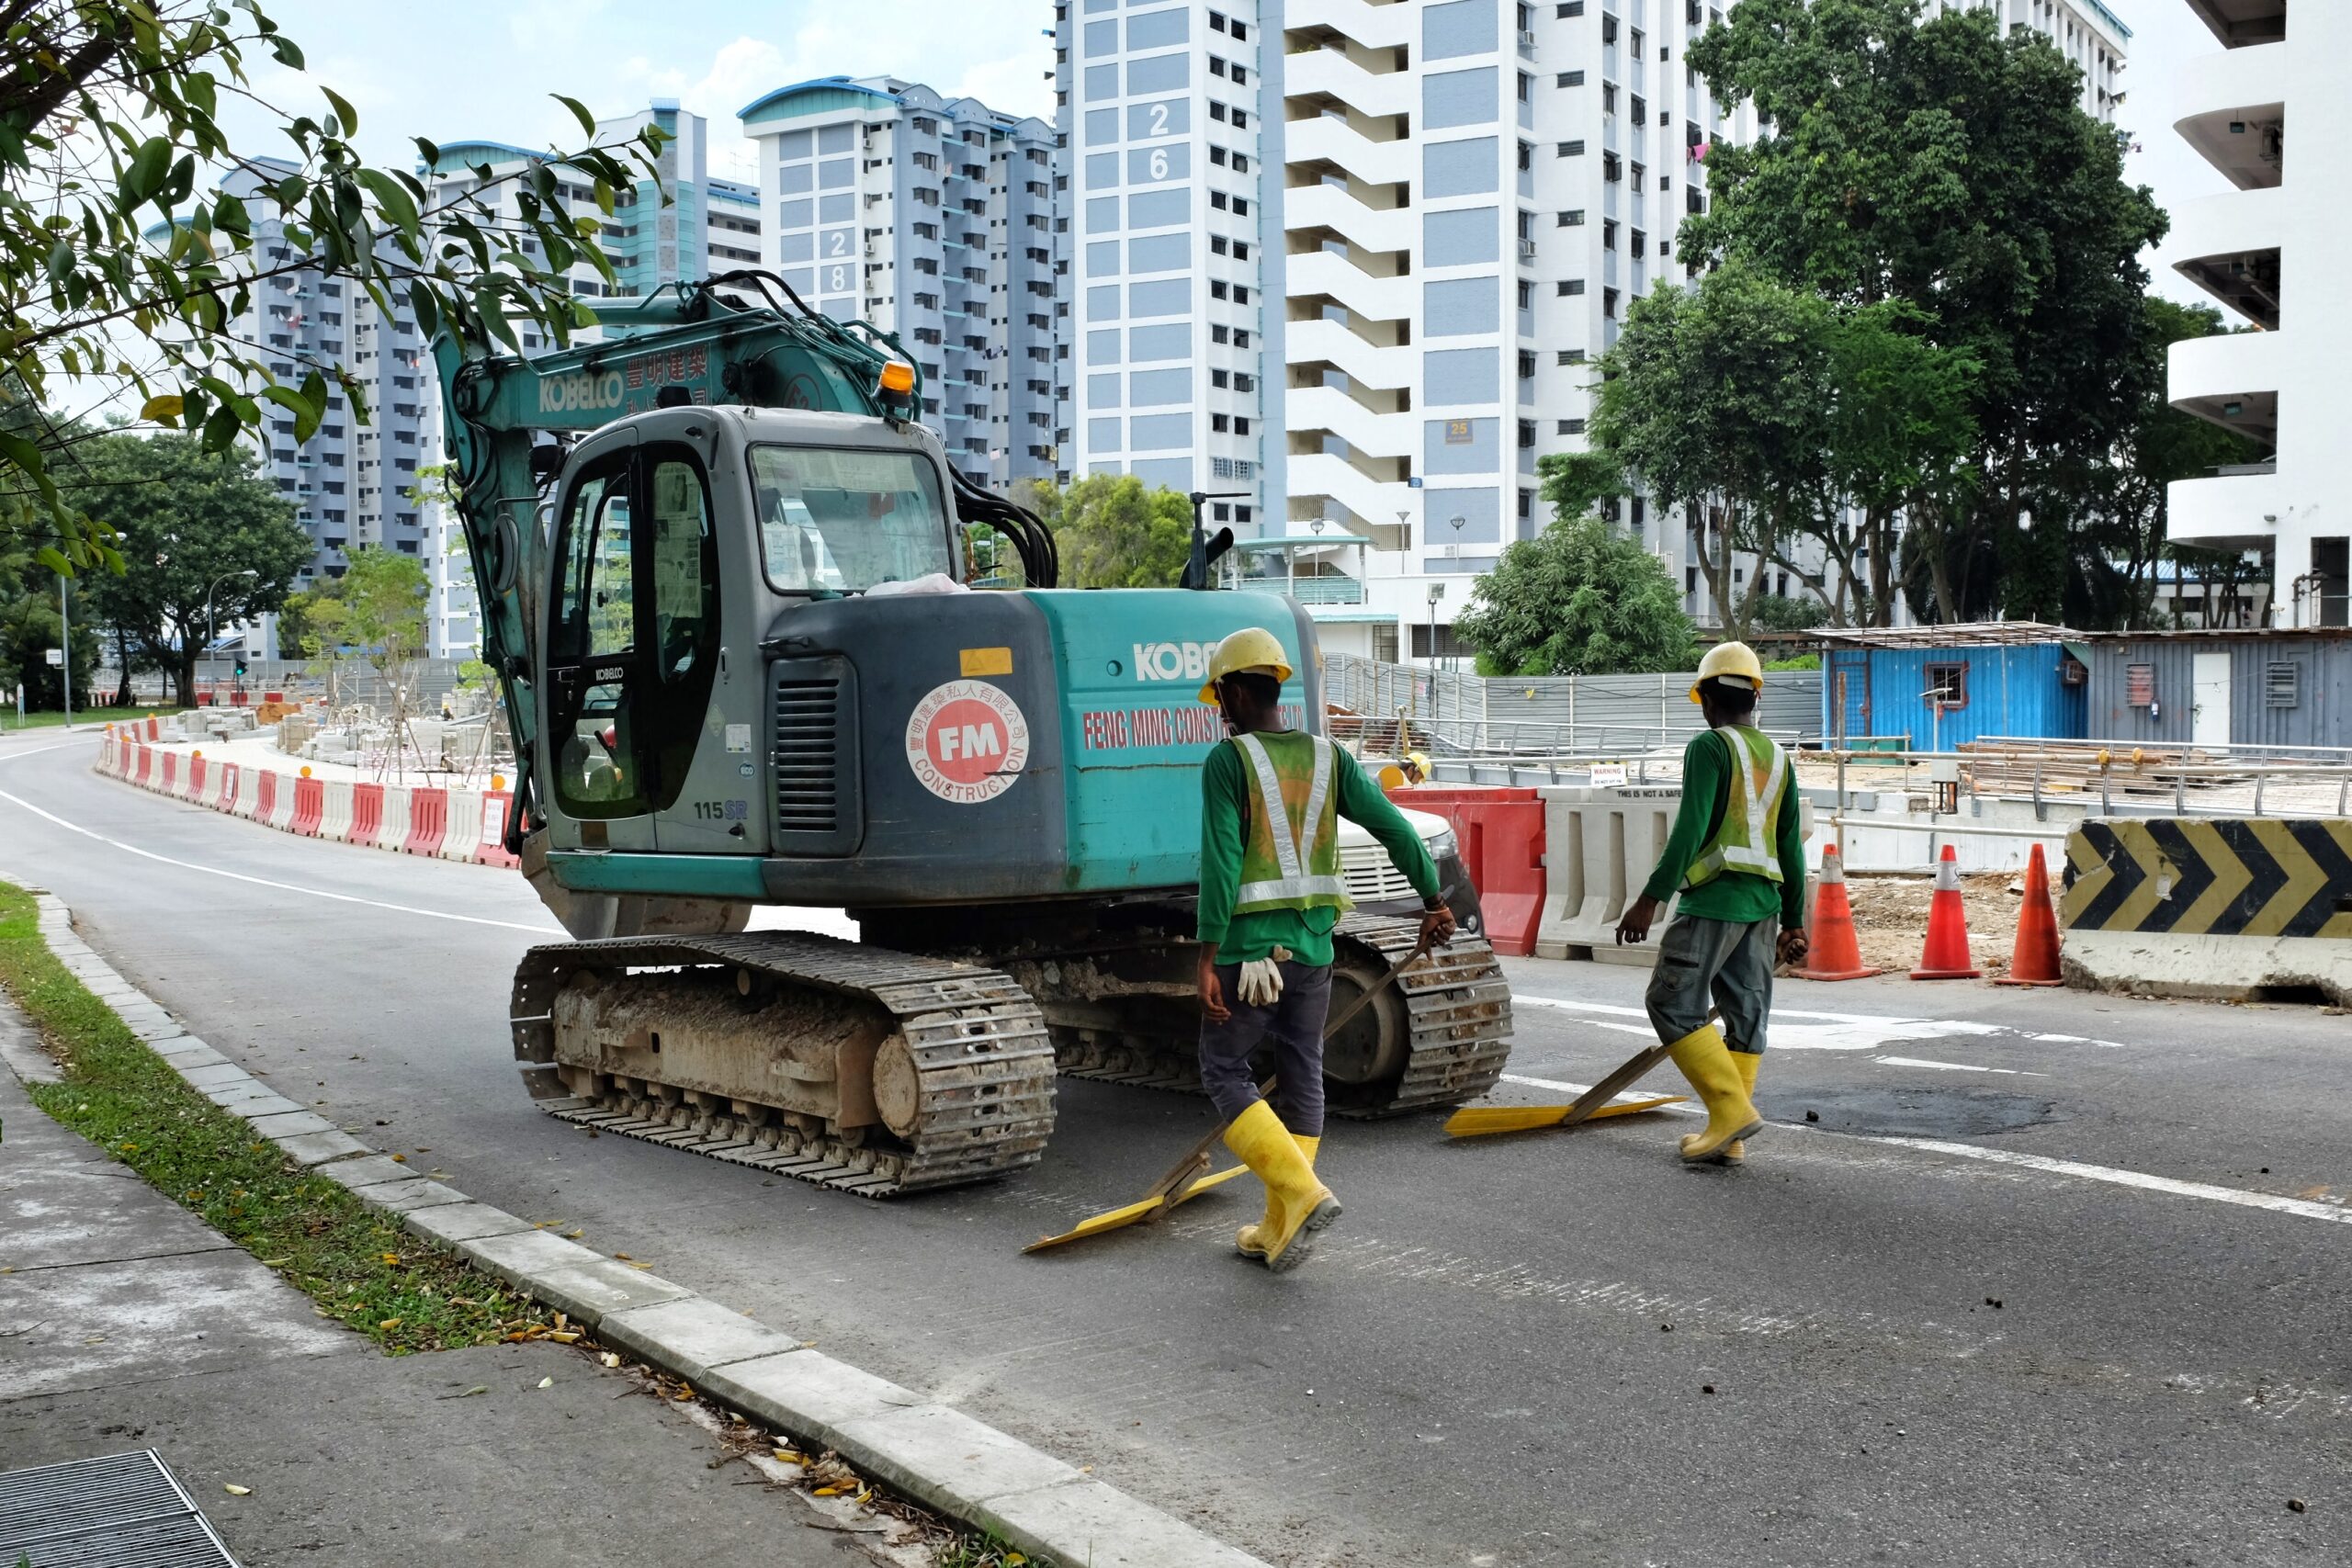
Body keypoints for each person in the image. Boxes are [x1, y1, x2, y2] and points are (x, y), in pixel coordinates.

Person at [1194, 626, 1455, 1270]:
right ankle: (1278, 1223)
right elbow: (1395, 827)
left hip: (1247, 954)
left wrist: (1205, 955)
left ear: (1234, 692)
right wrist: (1433, 899)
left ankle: (1303, 1193)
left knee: (1224, 1070)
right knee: (1302, 1067)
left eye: (1219, 695)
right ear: (1275, 686)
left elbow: (1222, 863)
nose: (1219, 708)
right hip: (1312, 950)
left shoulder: (1228, 761)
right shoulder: (1329, 757)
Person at [1612, 642, 1808, 1165]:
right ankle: (1730, 1136)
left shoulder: (1709, 747)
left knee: (1671, 1003)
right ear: (1755, 698)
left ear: (1706, 700)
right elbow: (1791, 845)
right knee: (1746, 1017)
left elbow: (1690, 829)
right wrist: (1795, 921)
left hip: (1714, 902)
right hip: (1764, 907)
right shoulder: (1779, 758)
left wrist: (1650, 900)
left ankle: (1730, 1115)